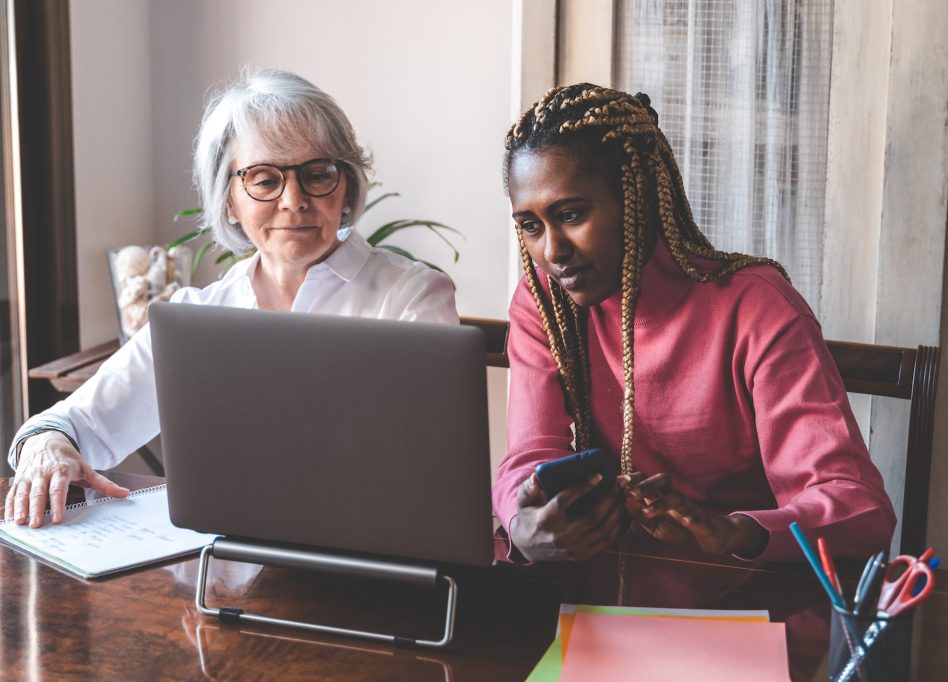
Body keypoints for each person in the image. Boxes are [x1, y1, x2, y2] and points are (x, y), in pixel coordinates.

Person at [5, 67, 458, 528]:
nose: (294, 200)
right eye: (264, 180)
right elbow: (70, 424)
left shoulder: (411, 297)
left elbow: (437, 469)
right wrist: (45, 446)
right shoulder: (194, 319)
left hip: (363, 560)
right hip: (217, 575)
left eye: (318, 175)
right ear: (230, 200)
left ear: (346, 189)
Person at [493, 83, 895, 564]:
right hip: (611, 581)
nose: (553, 252)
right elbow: (529, 454)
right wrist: (523, 523)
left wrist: (729, 533)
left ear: (636, 199)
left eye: (572, 215)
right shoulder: (546, 304)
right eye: (531, 226)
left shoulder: (755, 307)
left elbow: (857, 506)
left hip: (746, 590)